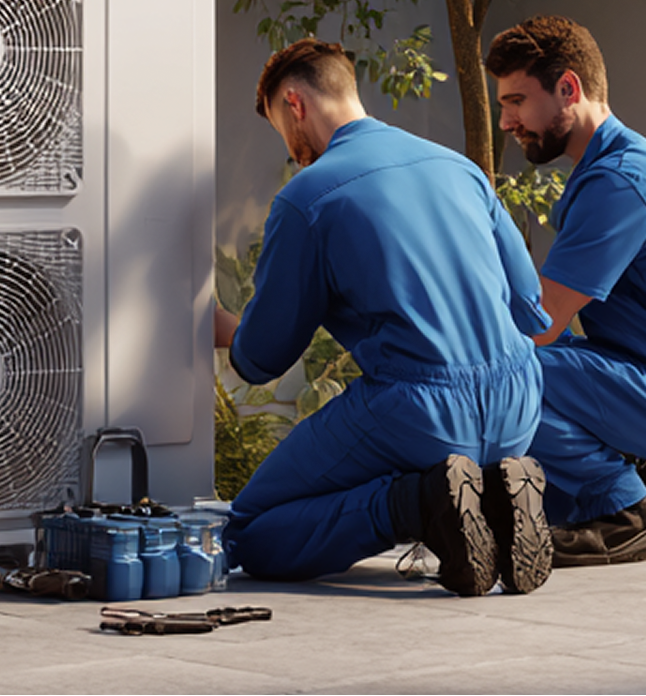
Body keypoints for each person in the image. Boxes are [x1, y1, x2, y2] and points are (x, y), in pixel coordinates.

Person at [216, 38, 553, 597]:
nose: (290, 146)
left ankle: (416, 504)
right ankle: (494, 493)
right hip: (519, 400)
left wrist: (216, 323)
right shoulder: (461, 168)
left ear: (295, 104)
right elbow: (529, 307)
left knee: (248, 530)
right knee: (428, 449)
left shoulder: (308, 199)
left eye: (280, 124)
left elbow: (262, 358)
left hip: (419, 409)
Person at [484, 15, 646, 568]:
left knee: (505, 371)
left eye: (516, 101)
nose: (505, 121)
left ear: (568, 89)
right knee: (531, 361)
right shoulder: (606, 165)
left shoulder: (621, 182)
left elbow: (543, 322)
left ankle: (625, 513)